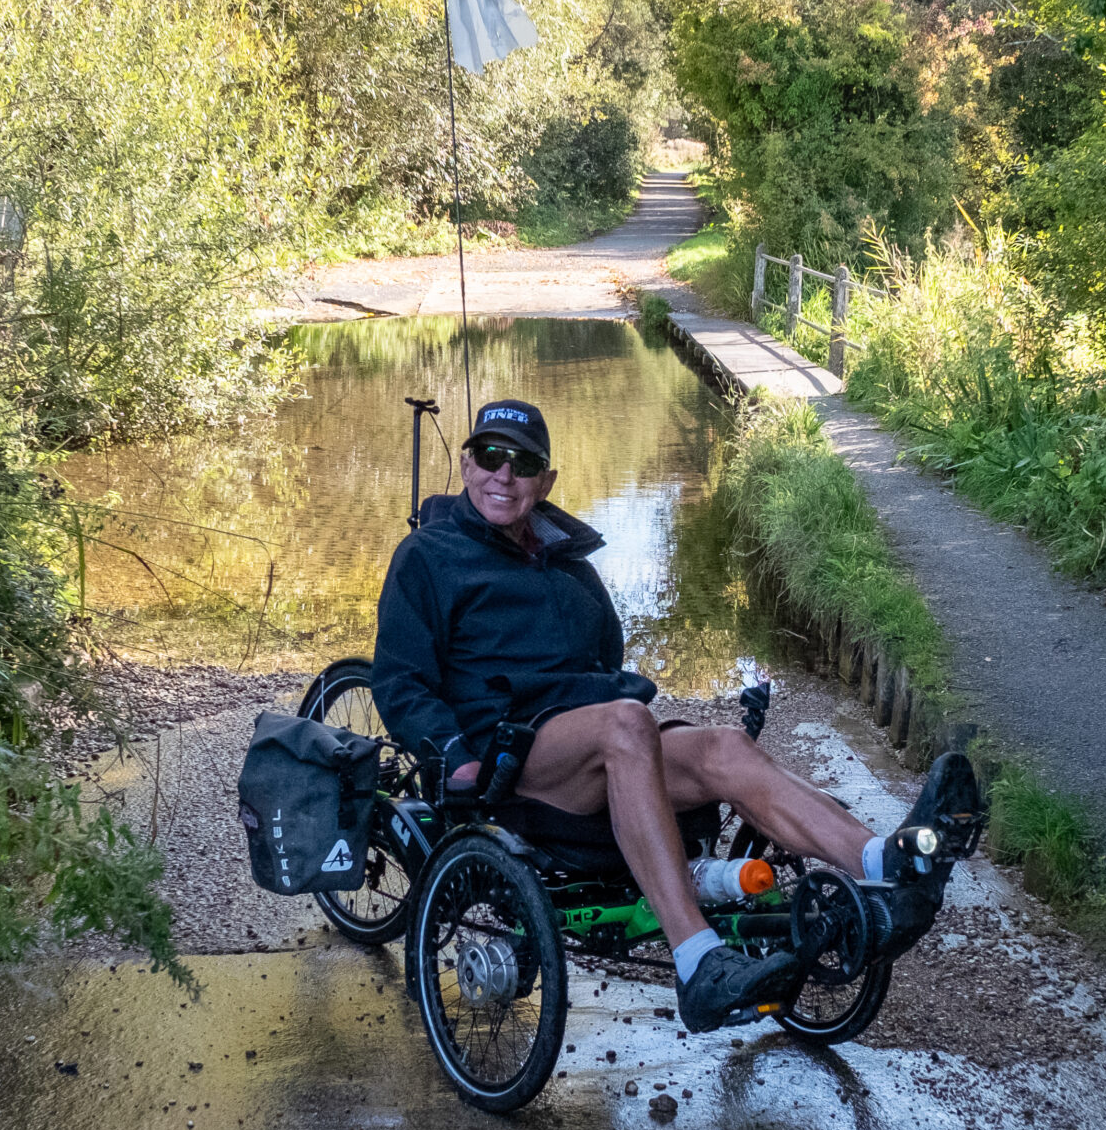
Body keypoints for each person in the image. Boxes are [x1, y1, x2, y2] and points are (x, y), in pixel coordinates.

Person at [371, 399, 976, 1033]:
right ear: (466, 464)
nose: (504, 474)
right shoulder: (429, 556)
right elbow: (401, 682)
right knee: (627, 722)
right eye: (490, 456)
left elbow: (605, 655)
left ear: (545, 482)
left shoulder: (568, 564)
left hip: (597, 745)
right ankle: (697, 961)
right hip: (507, 754)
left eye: (523, 464)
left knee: (723, 746)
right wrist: (452, 754)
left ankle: (885, 862)